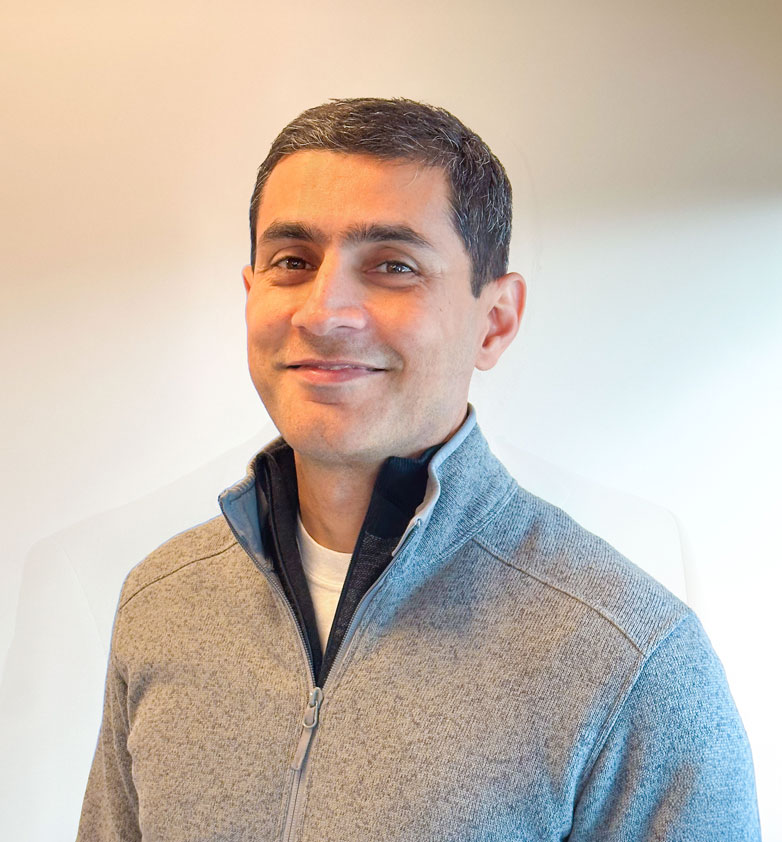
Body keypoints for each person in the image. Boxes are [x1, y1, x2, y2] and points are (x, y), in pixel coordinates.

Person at [77, 98, 760, 841]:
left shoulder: (633, 663)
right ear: (252, 295)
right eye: (293, 262)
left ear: (495, 321)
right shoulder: (160, 603)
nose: (323, 313)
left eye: (393, 266)